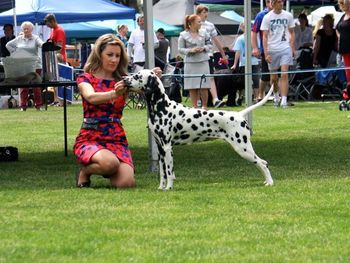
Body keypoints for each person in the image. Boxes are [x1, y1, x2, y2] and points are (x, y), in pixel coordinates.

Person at [261, 0, 296, 108]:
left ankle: (284, 100)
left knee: (284, 74)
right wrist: (266, 53)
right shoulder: (267, 17)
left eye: (282, 2)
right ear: (273, 3)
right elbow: (265, 36)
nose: (281, 4)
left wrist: (292, 48)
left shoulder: (288, 15)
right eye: (279, 2)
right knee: (274, 78)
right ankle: (276, 96)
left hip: (285, 48)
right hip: (272, 49)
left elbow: (292, 32)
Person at [6, 21, 44, 111]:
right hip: (23, 64)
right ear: (22, 29)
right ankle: (23, 106)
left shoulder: (36, 38)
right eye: (24, 28)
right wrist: (15, 52)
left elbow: (41, 44)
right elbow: (8, 45)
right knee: (23, 86)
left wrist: (45, 45)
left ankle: (38, 105)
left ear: (32, 29)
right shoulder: (19, 38)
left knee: (36, 85)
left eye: (28, 28)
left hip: (35, 64)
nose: (26, 30)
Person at [178, 14, 211, 109]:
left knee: (204, 85)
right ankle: (195, 107)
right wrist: (190, 50)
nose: (201, 23)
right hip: (190, 63)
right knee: (192, 86)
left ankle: (204, 106)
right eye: (199, 21)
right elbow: (180, 49)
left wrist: (203, 48)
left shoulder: (204, 33)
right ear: (191, 23)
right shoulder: (183, 35)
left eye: (201, 21)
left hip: (203, 61)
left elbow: (210, 45)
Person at [196, 4, 226, 108]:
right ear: (199, 13)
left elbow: (216, 40)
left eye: (206, 12)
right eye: (204, 12)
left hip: (208, 54)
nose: (206, 14)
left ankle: (215, 99)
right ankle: (199, 100)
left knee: (210, 77)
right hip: (197, 55)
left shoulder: (210, 25)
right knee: (199, 78)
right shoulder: (193, 23)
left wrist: (223, 54)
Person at [231, 22, 260, 104]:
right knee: (242, 82)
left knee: (255, 80)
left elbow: (258, 48)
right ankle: (240, 97)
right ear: (241, 28)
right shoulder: (240, 39)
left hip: (254, 62)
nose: (246, 28)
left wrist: (256, 54)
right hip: (243, 63)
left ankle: (256, 98)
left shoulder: (254, 37)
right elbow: (238, 51)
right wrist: (235, 64)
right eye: (243, 27)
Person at [44, 13, 67, 106]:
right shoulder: (53, 30)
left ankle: (61, 100)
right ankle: (56, 99)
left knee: (59, 80)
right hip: (53, 58)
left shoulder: (59, 30)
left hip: (58, 57)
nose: (47, 26)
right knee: (54, 80)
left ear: (53, 21)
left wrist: (57, 57)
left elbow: (59, 46)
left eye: (48, 23)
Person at [252, 0, 272, 102]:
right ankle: (260, 95)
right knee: (265, 75)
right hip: (266, 50)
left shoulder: (282, 14)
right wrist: (255, 48)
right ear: (267, 3)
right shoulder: (261, 15)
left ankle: (282, 97)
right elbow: (254, 32)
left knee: (281, 74)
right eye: (269, 2)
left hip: (280, 49)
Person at [337, 0, 350, 89]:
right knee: (348, 75)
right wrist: (340, 38)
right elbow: (337, 29)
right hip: (344, 51)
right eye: (340, 3)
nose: (341, 5)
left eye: (343, 3)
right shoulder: (343, 16)